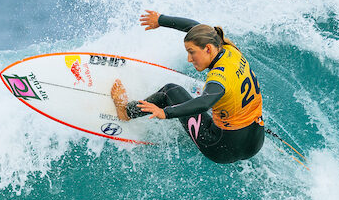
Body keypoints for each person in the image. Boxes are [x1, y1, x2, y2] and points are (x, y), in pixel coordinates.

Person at [111, 10, 264, 164]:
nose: (189, 59)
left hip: (221, 148)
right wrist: (160, 20)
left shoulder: (219, 77)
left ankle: (126, 112)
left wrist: (165, 112)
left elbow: (204, 103)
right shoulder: (230, 50)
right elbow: (195, 28)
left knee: (170, 91)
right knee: (226, 98)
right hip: (255, 141)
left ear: (208, 49)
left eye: (192, 52)